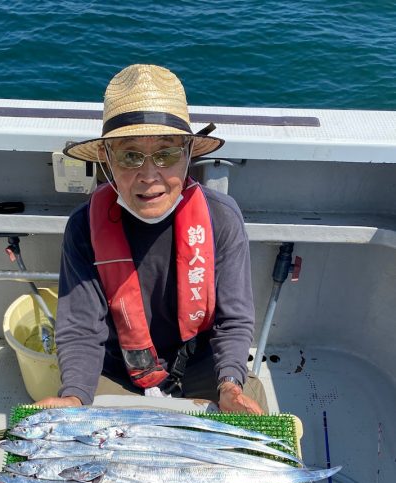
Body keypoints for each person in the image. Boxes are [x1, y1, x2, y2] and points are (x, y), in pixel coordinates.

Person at [39, 64, 268, 414]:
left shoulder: (221, 218)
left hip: (203, 363)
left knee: (253, 422)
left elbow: (233, 320)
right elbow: (81, 329)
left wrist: (230, 386)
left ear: (189, 154)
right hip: (118, 370)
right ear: (107, 159)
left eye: (166, 154)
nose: (149, 175)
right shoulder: (83, 227)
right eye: (130, 155)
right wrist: (74, 395)